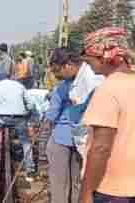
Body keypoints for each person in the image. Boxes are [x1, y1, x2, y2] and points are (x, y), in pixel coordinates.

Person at [80, 27, 135, 203]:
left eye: (90, 62)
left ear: (105, 58)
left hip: (112, 188)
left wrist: (86, 193)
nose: (89, 66)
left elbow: (101, 148)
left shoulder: (108, 90)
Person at [44, 48, 102, 203]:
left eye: (58, 71)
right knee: (77, 181)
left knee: (59, 183)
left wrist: (47, 124)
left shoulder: (82, 81)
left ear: (68, 65)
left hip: (65, 138)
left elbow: (52, 113)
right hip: (80, 138)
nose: (58, 76)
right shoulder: (82, 79)